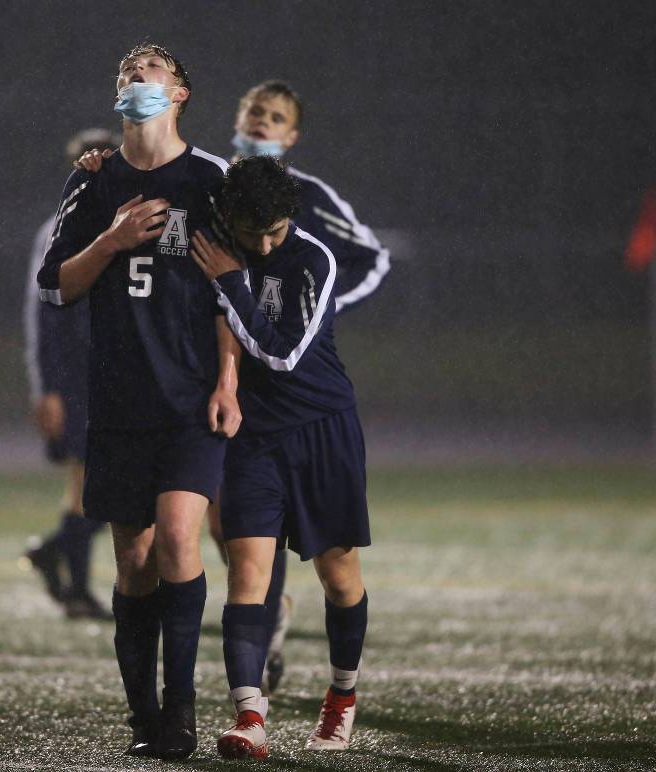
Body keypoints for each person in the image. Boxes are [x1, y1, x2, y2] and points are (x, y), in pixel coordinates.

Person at [36, 43, 241, 761]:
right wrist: (112, 240)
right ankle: (143, 715)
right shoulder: (92, 182)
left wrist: (228, 381)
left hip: (188, 402)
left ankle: (181, 711)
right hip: (117, 402)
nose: (135, 73)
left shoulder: (210, 180)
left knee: (181, 537)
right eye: (127, 68)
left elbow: (229, 291)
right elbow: (55, 284)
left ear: (179, 91)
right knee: (134, 562)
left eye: (150, 67)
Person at [190, 156, 371, 758]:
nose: (266, 244)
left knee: (338, 577)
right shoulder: (213, 238)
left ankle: (342, 698)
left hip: (323, 429)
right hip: (254, 437)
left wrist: (232, 281)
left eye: (275, 230)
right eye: (253, 233)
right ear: (230, 217)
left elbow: (283, 354)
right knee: (248, 576)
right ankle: (249, 715)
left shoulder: (314, 259)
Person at [224, 80, 390, 695]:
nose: (262, 124)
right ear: (236, 118)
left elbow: (371, 258)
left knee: (333, 566)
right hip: (231, 403)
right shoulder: (211, 187)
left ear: (292, 135)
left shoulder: (309, 202)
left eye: (276, 117)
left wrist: (311, 307)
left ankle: (312, 673)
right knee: (240, 549)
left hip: (302, 399)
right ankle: (251, 688)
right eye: (254, 113)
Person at [22, 128, 120, 620]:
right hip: (79, 378)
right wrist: (48, 389)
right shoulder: (58, 230)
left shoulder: (130, 223)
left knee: (112, 489)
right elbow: (42, 317)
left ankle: (56, 553)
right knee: (88, 487)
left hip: (118, 377)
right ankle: (77, 588)